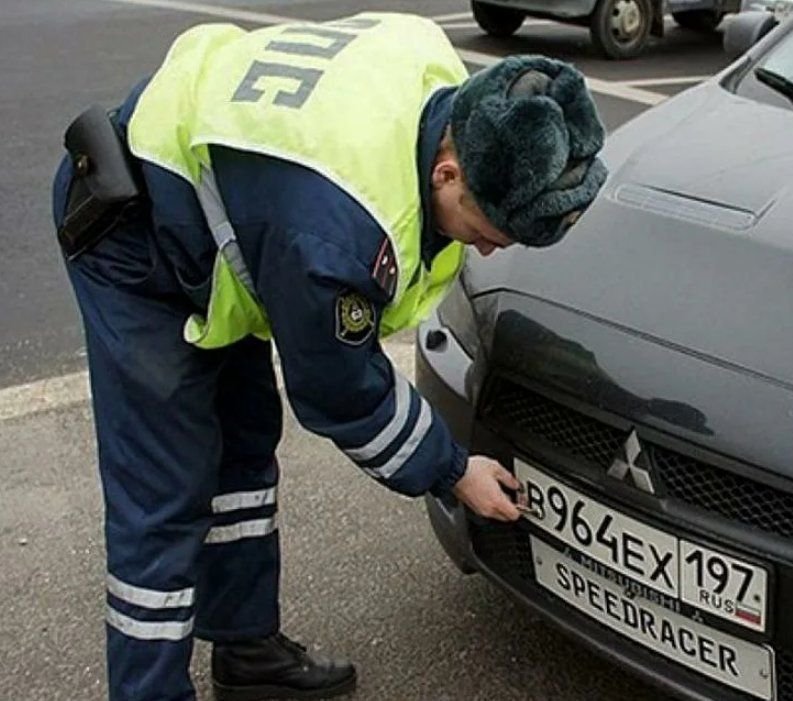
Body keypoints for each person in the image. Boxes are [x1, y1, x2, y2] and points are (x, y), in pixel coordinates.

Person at [50, 11, 607, 701]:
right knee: (163, 492)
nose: (489, 249)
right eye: (487, 230)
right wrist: (453, 469)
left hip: (230, 213)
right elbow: (342, 389)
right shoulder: (337, 234)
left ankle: (246, 650)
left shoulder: (443, 84)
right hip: (137, 240)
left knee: (244, 442)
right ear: (447, 170)